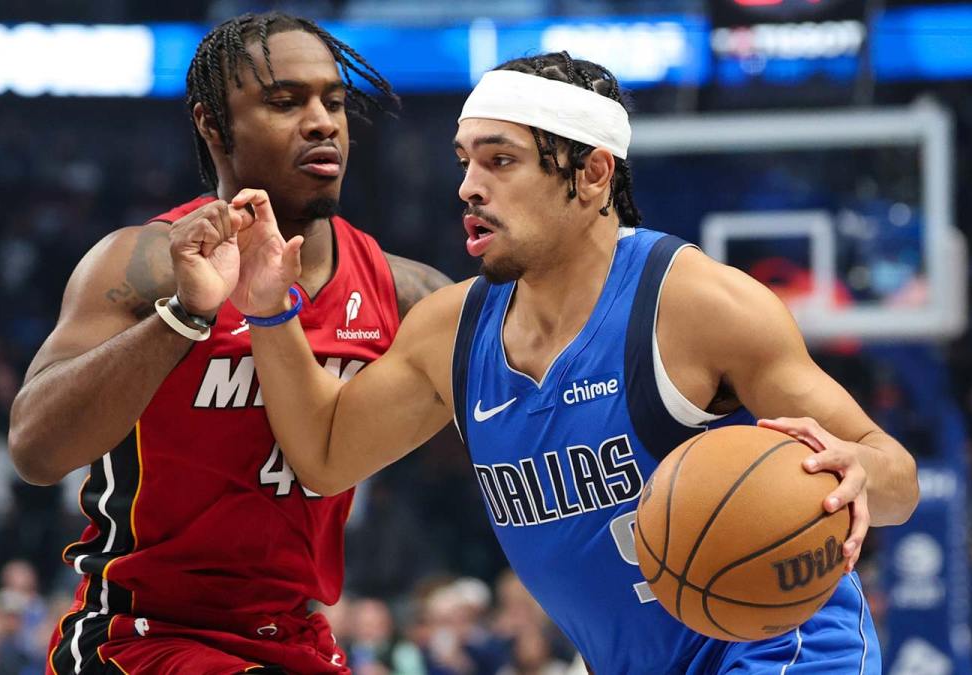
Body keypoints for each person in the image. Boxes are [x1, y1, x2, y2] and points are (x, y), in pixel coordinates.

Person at [226, 53, 919, 672]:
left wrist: (859, 472)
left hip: (785, 647)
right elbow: (323, 452)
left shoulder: (696, 303)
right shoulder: (452, 330)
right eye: (464, 160)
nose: (468, 185)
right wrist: (268, 308)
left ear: (591, 175)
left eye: (500, 161)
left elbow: (897, 480)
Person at [6, 12, 449, 674]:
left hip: (297, 635)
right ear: (213, 124)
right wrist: (183, 316)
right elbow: (36, 449)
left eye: (333, 100)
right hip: (141, 633)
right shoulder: (145, 263)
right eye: (285, 101)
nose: (322, 121)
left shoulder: (407, 292)